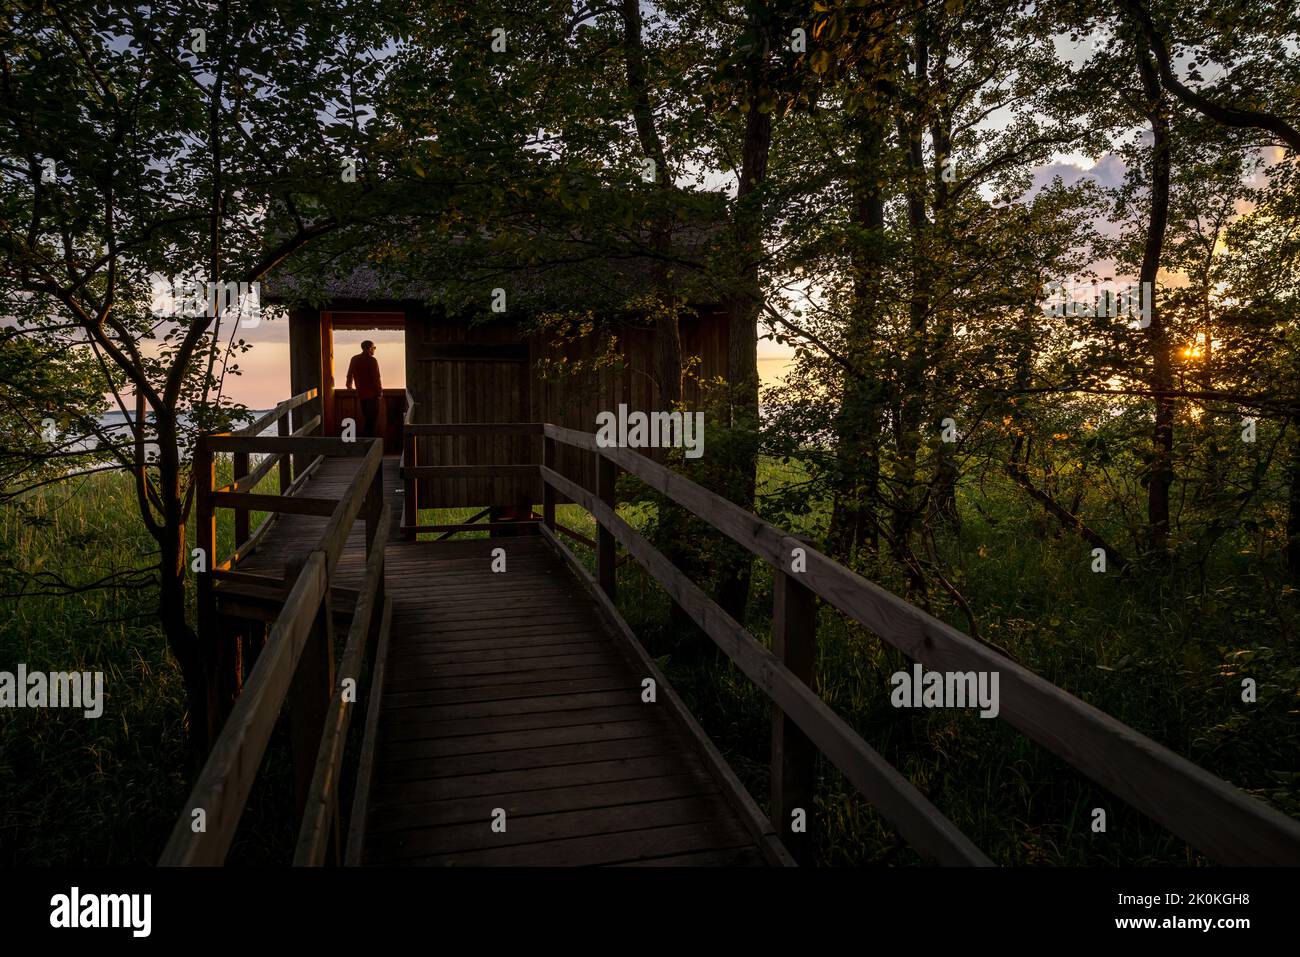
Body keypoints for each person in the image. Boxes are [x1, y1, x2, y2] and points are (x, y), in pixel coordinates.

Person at [345, 340, 383, 438]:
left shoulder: (354, 359)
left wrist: (349, 386)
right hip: (373, 396)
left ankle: (366, 443)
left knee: (367, 419)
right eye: (374, 348)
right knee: (372, 421)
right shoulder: (372, 360)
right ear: (370, 348)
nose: (374, 350)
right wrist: (380, 392)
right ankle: (369, 445)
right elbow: (376, 378)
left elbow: (349, 375)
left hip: (361, 395)